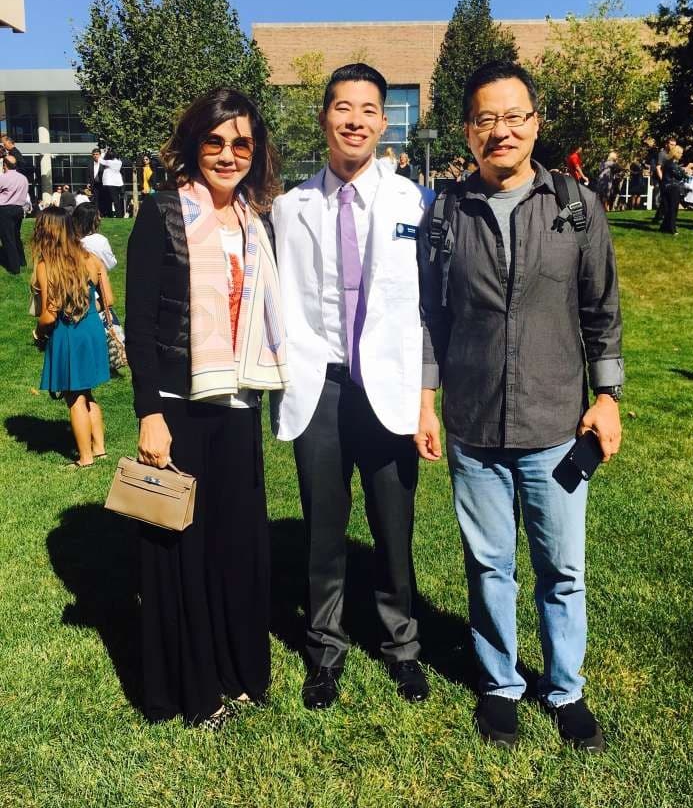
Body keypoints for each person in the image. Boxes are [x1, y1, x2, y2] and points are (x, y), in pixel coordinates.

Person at [417, 60, 623, 752]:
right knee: (489, 565)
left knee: (562, 568)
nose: (499, 131)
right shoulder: (445, 213)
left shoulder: (574, 206)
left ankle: (565, 690)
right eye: (485, 119)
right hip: (474, 424)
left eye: (513, 117)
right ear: (468, 132)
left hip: (557, 425)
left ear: (535, 123)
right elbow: (429, 317)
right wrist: (427, 400)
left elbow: (601, 309)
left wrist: (608, 396)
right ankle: (501, 684)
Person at [271, 63, 433, 710]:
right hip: (321, 390)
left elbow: (427, 310)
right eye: (344, 108)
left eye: (370, 109)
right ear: (324, 118)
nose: (356, 120)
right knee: (322, 530)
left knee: (394, 527)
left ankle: (402, 646)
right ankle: (325, 649)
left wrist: (427, 398)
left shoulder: (413, 203)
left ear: (383, 120)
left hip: (389, 390)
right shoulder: (290, 208)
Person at [125, 87, 288, 730]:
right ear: (195, 145)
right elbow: (139, 324)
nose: (227, 154)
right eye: (214, 141)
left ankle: (239, 672)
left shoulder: (254, 221)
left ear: (256, 150)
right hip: (179, 406)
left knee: (236, 545)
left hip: (239, 402)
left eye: (241, 142)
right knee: (181, 549)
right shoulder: (162, 214)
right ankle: (193, 692)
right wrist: (149, 414)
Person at [31, 207, 111, 466]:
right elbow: (109, 299)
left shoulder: (47, 265)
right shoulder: (90, 257)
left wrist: (38, 332)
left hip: (68, 334)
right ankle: (99, 448)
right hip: (92, 330)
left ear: (45, 232)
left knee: (73, 396)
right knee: (87, 393)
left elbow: (49, 314)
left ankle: (85, 458)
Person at [0, 155, 29, 274]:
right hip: (19, 209)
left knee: (8, 238)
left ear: (4, 165)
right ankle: (22, 261)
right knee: (16, 236)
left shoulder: (3, 178)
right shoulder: (23, 178)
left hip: (5, 209)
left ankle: (14, 268)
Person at [72, 202, 117, 271]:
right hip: (94, 278)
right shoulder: (99, 240)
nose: (100, 218)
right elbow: (110, 263)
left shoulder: (67, 238)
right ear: (93, 220)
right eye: (98, 216)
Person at [660, 144, 690, 235]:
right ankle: (672, 229)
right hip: (672, 188)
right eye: (680, 153)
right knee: (673, 209)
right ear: (675, 153)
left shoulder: (668, 163)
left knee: (669, 209)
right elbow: (680, 176)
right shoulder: (672, 164)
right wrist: (686, 169)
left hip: (666, 187)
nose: (681, 155)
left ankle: (664, 227)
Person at [652, 136, 677, 224]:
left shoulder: (673, 154)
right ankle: (660, 218)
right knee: (663, 199)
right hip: (662, 179)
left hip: (668, 180)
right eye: (671, 144)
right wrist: (663, 180)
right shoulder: (662, 154)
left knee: (665, 200)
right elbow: (658, 168)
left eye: (674, 145)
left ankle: (658, 218)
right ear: (666, 144)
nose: (673, 146)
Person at [100, 151, 125, 217]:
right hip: (117, 183)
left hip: (109, 183)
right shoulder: (119, 162)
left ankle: (111, 215)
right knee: (116, 200)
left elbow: (100, 160)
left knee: (109, 200)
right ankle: (119, 215)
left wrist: (103, 153)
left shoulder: (109, 162)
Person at [86, 148, 107, 216]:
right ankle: (97, 214)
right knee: (96, 200)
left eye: (97, 154)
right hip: (94, 185)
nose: (95, 156)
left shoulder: (103, 163)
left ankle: (104, 214)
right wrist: (88, 183)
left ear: (100, 155)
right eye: (94, 154)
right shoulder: (90, 164)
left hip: (102, 184)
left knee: (103, 199)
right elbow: (88, 175)